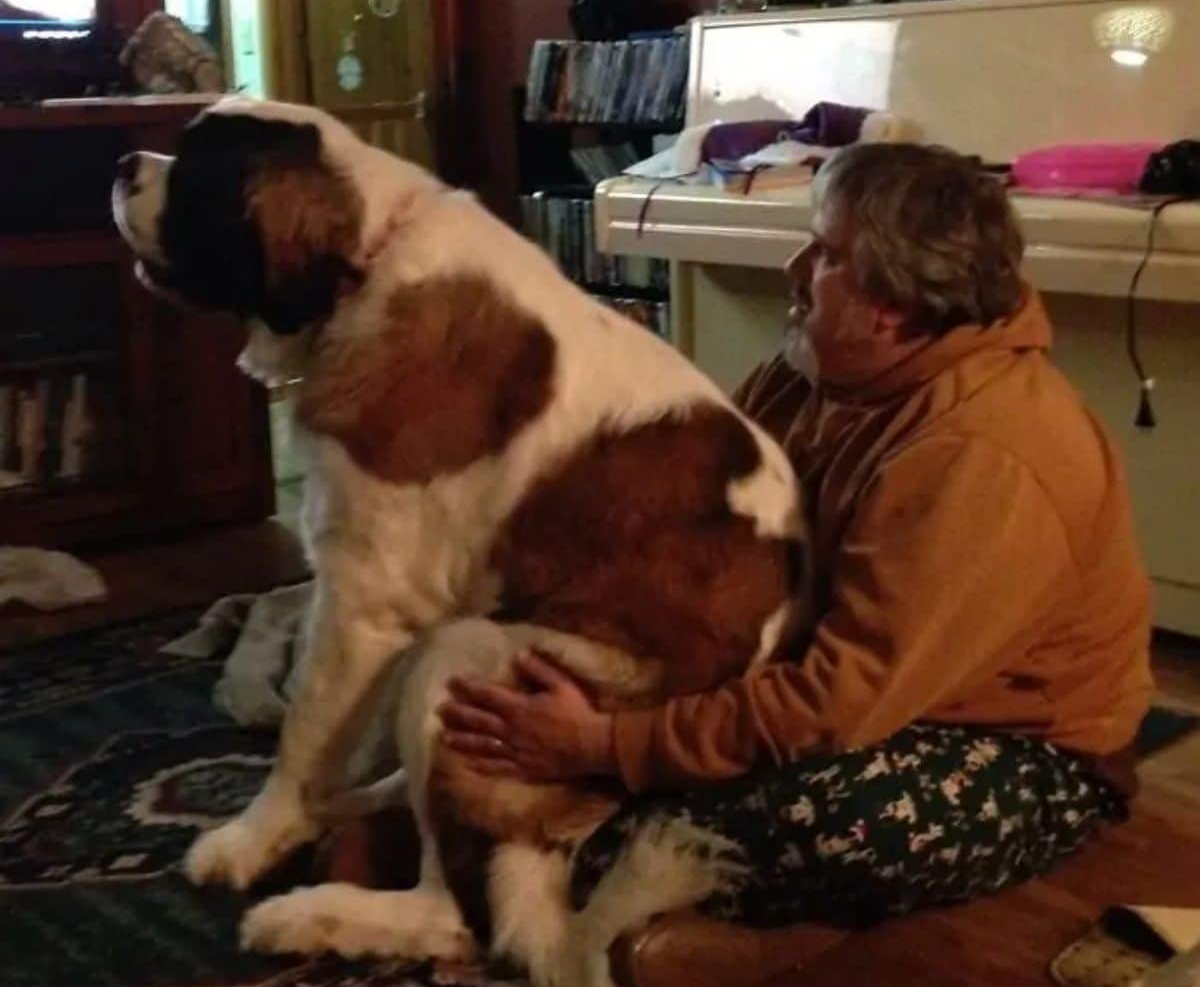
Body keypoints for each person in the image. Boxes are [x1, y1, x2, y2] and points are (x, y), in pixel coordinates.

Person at [441, 143, 1153, 929]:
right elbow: (694, 537)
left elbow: (836, 702)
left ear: (895, 304)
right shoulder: (811, 369)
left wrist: (607, 745)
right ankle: (596, 862)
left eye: (824, 252)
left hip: (1005, 747)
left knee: (829, 819)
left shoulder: (983, 454)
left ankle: (619, 887)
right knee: (498, 675)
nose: (794, 269)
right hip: (811, 674)